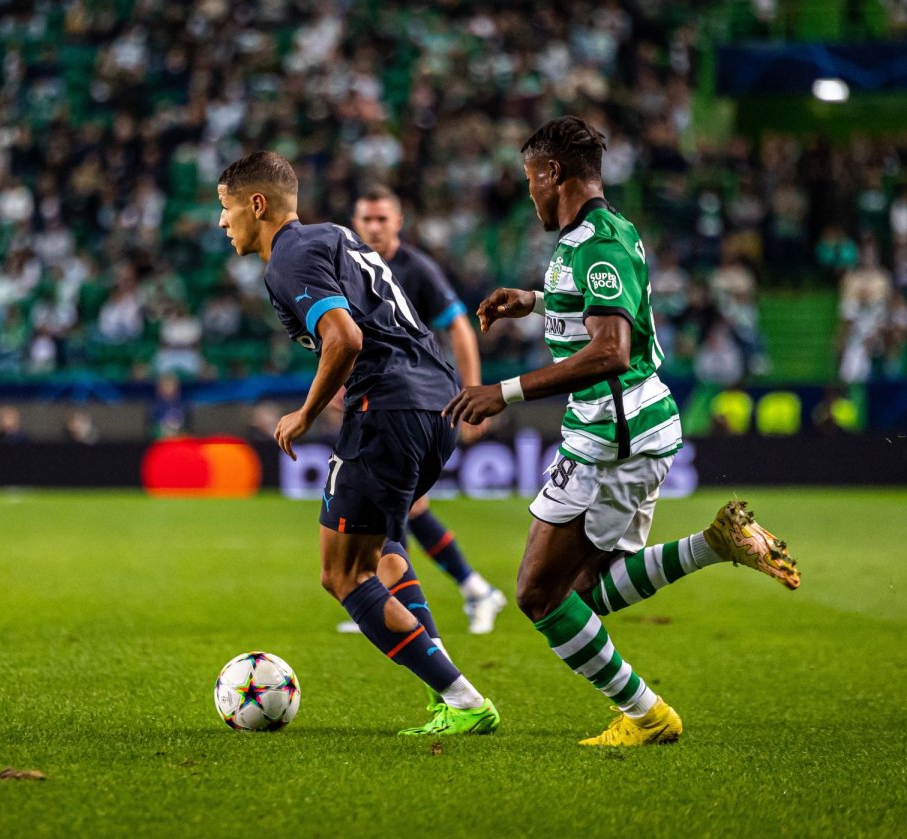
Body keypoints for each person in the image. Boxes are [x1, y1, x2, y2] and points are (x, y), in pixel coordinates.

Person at [443, 117, 799, 747]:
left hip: (614, 439)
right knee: (582, 594)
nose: (528, 194)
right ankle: (716, 545)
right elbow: (600, 309)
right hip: (618, 432)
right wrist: (532, 301)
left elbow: (610, 349)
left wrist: (506, 392)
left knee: (538, 595)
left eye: (531, 179)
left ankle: (648, 715)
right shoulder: (600, 235)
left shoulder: (597, 245)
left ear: (553, 174)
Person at [216, 151, 498, 736]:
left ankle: (463, 698)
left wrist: (304, 413)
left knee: (342, 575)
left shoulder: (288, 258)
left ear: (257, 205)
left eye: (227, 208)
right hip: (435, 404)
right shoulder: (335, 237)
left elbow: (342, 337)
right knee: (387, 549)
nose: (223, 223)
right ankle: (449, 694)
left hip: (388, 410)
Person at [344, 184, 507, 634]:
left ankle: (408, 605)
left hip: (415, 401)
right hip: (378, 401)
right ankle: (470, 590)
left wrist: (473, 392)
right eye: (366, 219)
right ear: (355, 223)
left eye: (382, 218)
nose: (374, 226)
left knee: (397, 505)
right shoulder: (352, 266)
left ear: (398, 222)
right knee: (402, 508)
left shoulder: (416, 269)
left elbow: (459, 325)